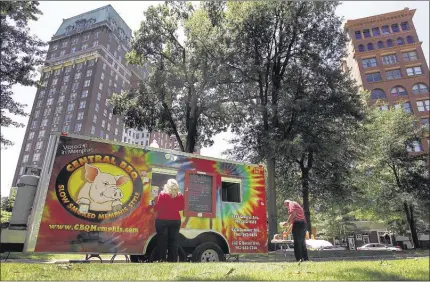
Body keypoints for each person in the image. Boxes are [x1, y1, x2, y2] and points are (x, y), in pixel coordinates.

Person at [153, 179, 184, 262]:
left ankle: (161, 259)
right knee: (173, 242)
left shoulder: (163, 194)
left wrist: (153, 204)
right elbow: (181, 208)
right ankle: (172, 260)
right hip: (175, 221)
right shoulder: (180, 195)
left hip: (162, 220)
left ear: (167, 186)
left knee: (162, 241)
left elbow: (157, 208)